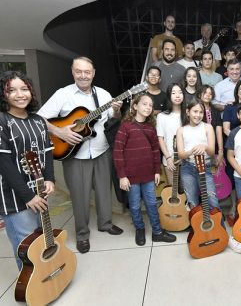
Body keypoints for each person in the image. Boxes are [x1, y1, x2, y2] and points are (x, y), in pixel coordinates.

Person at [38, 56, 124, 254]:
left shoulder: (103, 95)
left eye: (87, 72)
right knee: (80, 196)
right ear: (73, 72)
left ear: (93, 73)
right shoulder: (63, 94)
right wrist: (59, 132)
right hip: (74, 155)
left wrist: (117, 112)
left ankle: (105, 223)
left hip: (102, 151)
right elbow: (39, 119)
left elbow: (113, 120)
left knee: (104, 191)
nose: (83, 76)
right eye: (79, 71)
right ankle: (82, 234)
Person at [0, 71, 55, 269]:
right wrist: (28, 197)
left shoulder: (38, 121)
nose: (20, 94)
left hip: (40, 192)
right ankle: (32, 289)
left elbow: (47, 153)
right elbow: (4, 164)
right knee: (27, 247)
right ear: (3, 94)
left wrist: (50, 179)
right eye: (12, 90)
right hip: (15, 199)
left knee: (41, 240)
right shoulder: (2, 121)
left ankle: (47, 277)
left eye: (24, 89)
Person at [176, 99, 241, 253]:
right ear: (188, 112)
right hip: (187, 168)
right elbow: (181, 154)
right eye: (195, 111)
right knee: (193, 203)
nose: (198, 115)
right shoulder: (181, 130)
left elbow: (211, 149)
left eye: (201, 112)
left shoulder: (207, 127)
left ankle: (225, 236)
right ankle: (199, 234)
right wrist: (193, 151)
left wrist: (205, 147)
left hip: (205, 168)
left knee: (213, 201)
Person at [113, 94, 176, 246]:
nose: (148, 107)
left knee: (152, 203)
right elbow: (117, 152)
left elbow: (155, 151)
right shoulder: (125, 127)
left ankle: (157, 232)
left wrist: (156, 171)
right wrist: (122, 176)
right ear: (135, 106)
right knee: (134, 205)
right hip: (131, 176)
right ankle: (139, 229)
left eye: (150, 105)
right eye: (144, 104)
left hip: (148, 174)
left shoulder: (150, 128)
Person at [156, 83, 186, 186]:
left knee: (188, 193)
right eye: (174, 93)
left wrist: (183, 157)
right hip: (169, 160)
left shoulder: (188, 114)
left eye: (180, 92)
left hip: (187, 160)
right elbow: (160, 139)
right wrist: (168, 158)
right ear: (169, 96)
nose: (177, 95)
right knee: (173, 194)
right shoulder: (161, 116)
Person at [198, 85, 224, 167]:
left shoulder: (215, 111)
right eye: (205, 92)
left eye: (210, 94)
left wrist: (220, 151)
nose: (208, 95)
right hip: (199, 148)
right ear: (199, 94)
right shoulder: (195, 110)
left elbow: (219, 131)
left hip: (214, 148)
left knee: (217, 175)